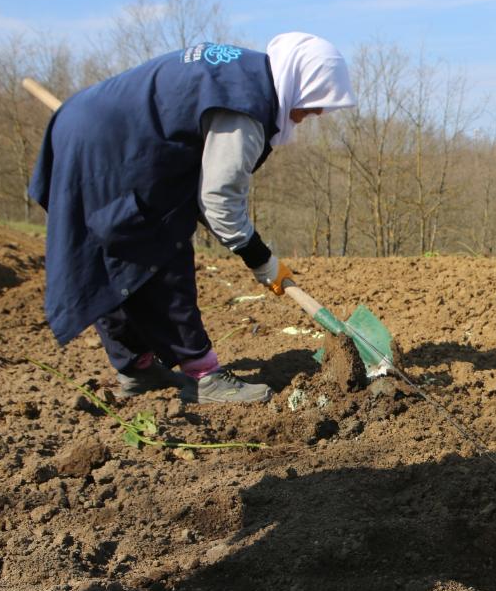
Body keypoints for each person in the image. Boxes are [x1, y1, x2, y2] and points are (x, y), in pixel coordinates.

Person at [29, 33, 357, 403]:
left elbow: (205, 193)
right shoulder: (244, 109)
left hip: (84, 125)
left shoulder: (244, 75)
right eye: (314, 105)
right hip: (107, 150)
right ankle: (204, 377)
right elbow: (218, 198)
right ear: (301, 84)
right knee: (160, 251)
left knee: (117, 254)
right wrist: (260, 258)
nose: (313, 115)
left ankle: (135, 368)